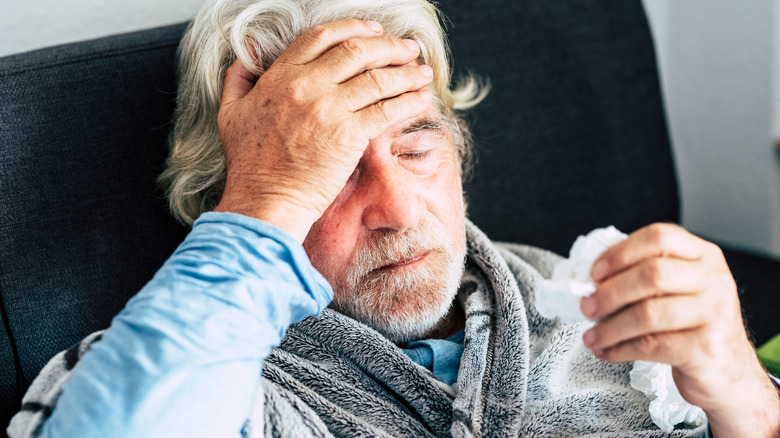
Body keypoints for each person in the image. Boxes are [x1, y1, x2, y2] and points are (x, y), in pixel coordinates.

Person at [8, 0, 780, 436]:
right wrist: (267, 203)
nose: (400, 210)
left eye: (416, 149)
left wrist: (744, 397)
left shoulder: (595, 309)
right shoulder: (179, 381)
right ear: (227, 202)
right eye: (332, 173)